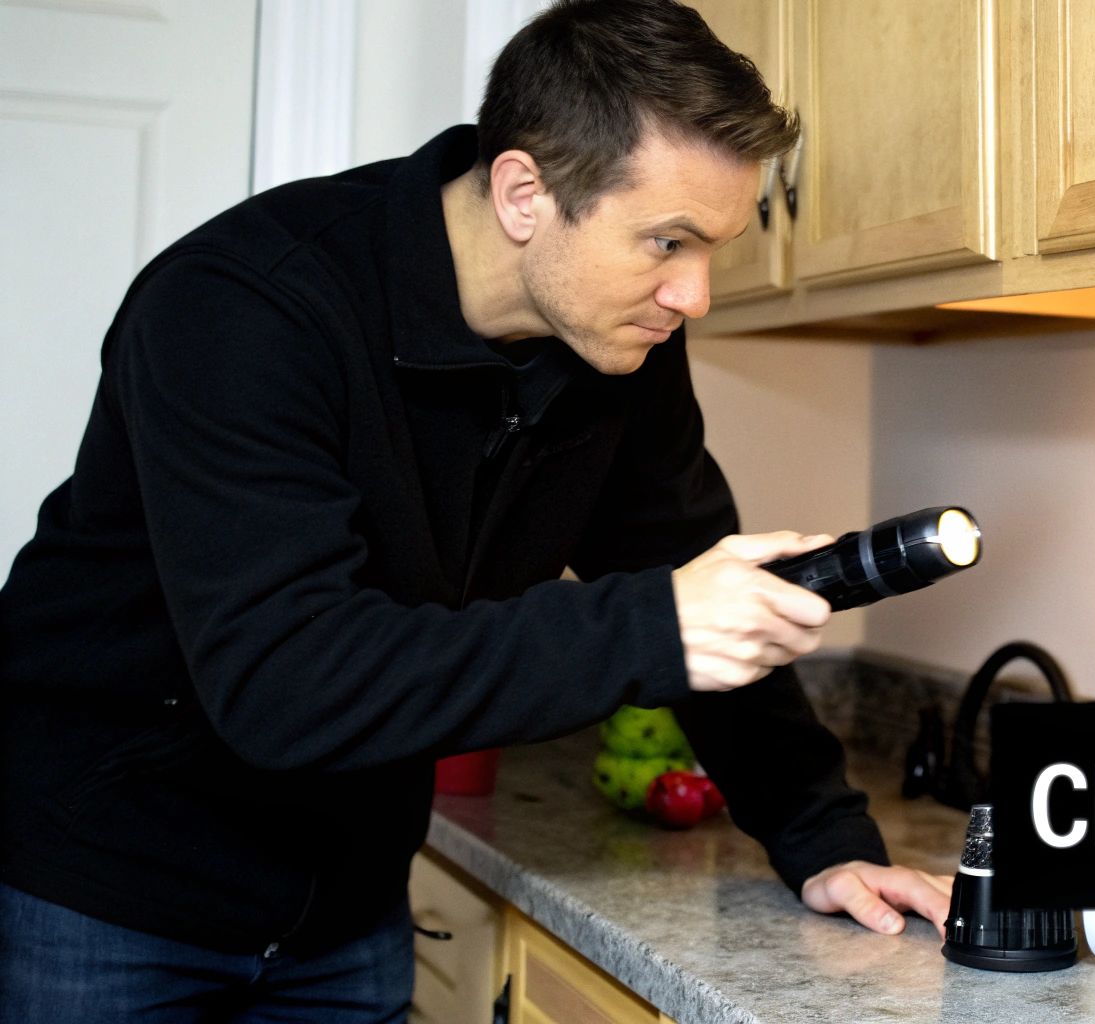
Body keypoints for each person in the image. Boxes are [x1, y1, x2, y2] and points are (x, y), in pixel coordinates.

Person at [0, 1, 951, 1019]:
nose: (696, 296)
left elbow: (701, 580)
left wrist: (824, 841)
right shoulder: (242, 307)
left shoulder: (617, 345)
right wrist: (655, 623)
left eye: (714, 247)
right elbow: (286, 680)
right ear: (523, 192)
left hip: (348, 909)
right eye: (666, 241)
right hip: (108, 893)